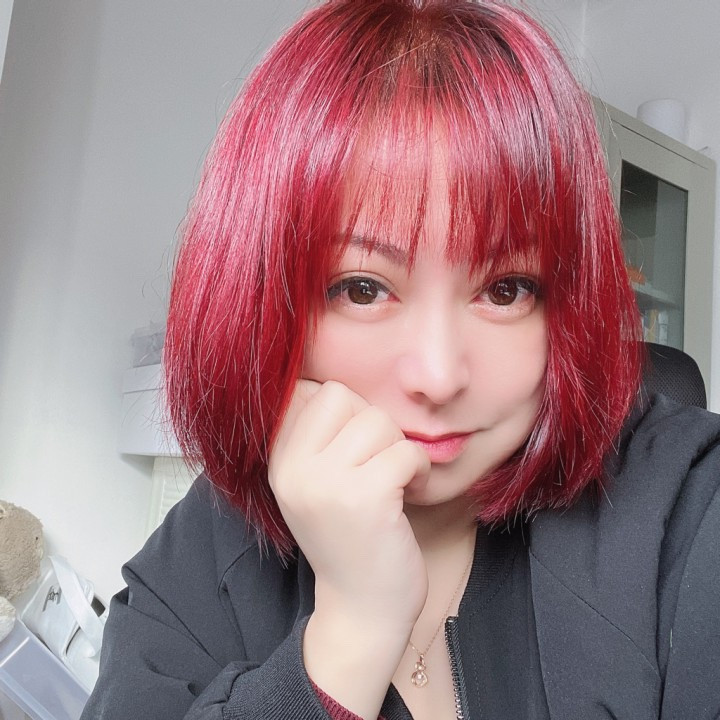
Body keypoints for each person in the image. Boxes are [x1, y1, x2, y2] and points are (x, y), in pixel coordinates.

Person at [82, 1, 720, 719]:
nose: (439, 376)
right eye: (363, 289)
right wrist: (350, 634)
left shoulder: (687, 508)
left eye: (506, 289)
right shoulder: (203, 553)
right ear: (265, 302)